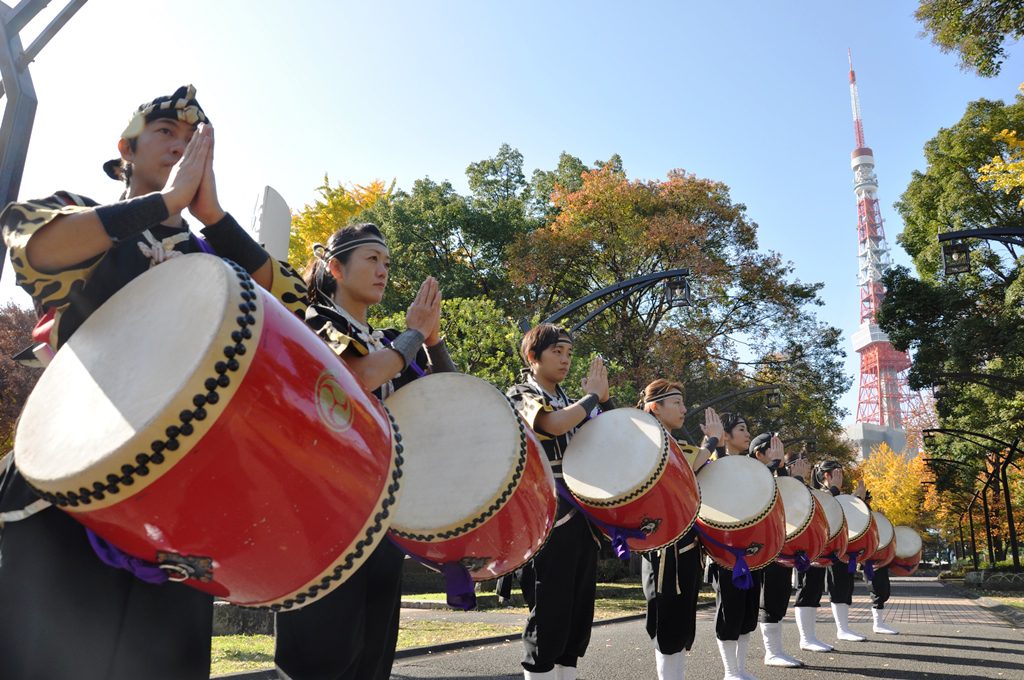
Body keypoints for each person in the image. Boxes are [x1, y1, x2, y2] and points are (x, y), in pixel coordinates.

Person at [0, 85, 307, 680]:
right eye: (167, 132)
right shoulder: (78, 215)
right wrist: (162, 203)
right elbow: (34, 242)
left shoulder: (215, 261)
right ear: (127, 149)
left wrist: (212, 216)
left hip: (180, 505)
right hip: (66, 488)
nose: (181, 144)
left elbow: (294, 312)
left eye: (193, 141)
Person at [274, 223, 456, 680]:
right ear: (335, 267)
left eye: (387, 263)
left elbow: (450, 396)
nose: (383, 271)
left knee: (372, 662)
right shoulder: (313, 319)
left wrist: (432, 339)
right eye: (372, 259)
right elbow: (355, 378)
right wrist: (413, 336)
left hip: (382, 516)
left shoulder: (391, 339)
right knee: (322, 661)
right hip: (323, 515)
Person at [507, 324, 613, 680]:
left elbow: (604, 440)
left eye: (569, 353)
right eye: (557, 352)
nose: (566, 359)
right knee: (549, 616)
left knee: (577, 620)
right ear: (532, 357)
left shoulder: (572, 400)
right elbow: (551, 424)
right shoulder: (521, 392)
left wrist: (602, 399)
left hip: (582, 520)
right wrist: (592, 398)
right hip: (546, 520)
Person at [637, 379, 723, 680]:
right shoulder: (648, 439)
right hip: (664, 543)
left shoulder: (678, 442)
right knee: (667, 615)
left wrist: (714, 445)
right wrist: (711, 441)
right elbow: (690, 465)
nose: (684, 409)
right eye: (677, 403)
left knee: (683, 616)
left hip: (686, 541)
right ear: (654, 407)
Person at [704, 412, 763, 680]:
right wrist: (714, 444)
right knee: (730, 610)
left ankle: (740, 669)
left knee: (748, 613)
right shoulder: (713, 464)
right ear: (725, 435)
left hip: (753, 552)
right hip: (725, 552)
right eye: (741, 429)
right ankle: (730, 671)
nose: (747, 433)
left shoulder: (753, 468)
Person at [748, 433, 810, 669]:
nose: (779, 454)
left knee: (780, 593)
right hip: (758, 546)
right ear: (759, 454)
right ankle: (771, 652)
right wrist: (775, 467)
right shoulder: (749, 472)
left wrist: (789, 475)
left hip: (779, 544)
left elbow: (793, 503)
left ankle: (776, 651)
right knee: (768, 596)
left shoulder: (775, 474)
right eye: (773, 449)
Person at [792, 460, 868, 649]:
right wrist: (834, 489)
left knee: (836, 586)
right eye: (836, 473)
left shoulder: (836, 495)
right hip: (810, 548)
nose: (840, 477)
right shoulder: (811, 492)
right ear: (826, 475)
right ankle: (806, 638)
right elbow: (816, 507)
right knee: (808, 588)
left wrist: (857, 500)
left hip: (831, 549)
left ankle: (842, 629)